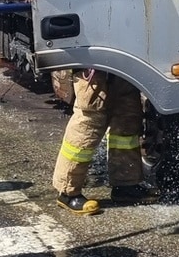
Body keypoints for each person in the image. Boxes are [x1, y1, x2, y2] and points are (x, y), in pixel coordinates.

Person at [52, 70, 156, 214]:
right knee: (90, 119)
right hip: (92, 62)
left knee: (127, 115)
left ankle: (125, 184)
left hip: (124, 60)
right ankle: (67, 192)